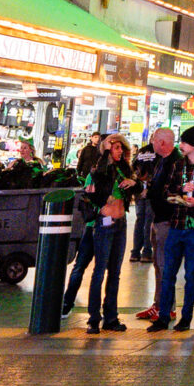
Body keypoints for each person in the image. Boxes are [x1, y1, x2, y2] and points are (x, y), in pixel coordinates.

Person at [148, 126, 194, 330]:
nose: (181, 145)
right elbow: (166, 191)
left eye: (185, 142)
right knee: (168, 271)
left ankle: (186, 318)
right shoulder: (178, 164)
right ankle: (163, 317)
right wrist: (180, 191)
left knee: (191, 274)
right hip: (176, 223)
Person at [76, 134, 134, 331]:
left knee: (115, 272)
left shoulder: (125, 169)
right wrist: (101, 203)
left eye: (121, 148)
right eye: (116, 148)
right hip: (104, 224)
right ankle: (94, 318)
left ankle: (111, 317)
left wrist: (135, 184)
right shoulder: (99, 169)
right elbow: (88, 194)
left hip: (120, 223)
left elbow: (138, 189)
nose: (119, 151)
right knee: (99, 270)